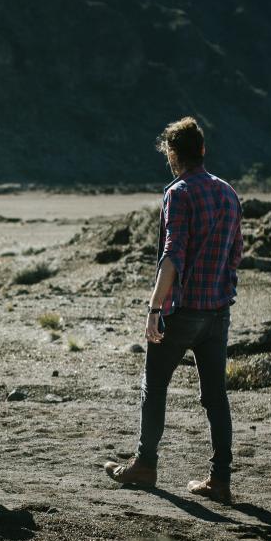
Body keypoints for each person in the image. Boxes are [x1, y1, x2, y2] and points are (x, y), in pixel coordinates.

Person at [104, 117, 243, 503]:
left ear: (173, 153)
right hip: (218, 312)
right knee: (216, 397)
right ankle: (220, 480)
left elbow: (172, 255)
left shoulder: (178, 192)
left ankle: (145, 464)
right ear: (202, 150)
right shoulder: (229, 193)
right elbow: (236, 256)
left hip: (183, 311)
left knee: (155, 386)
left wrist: (153, 308)